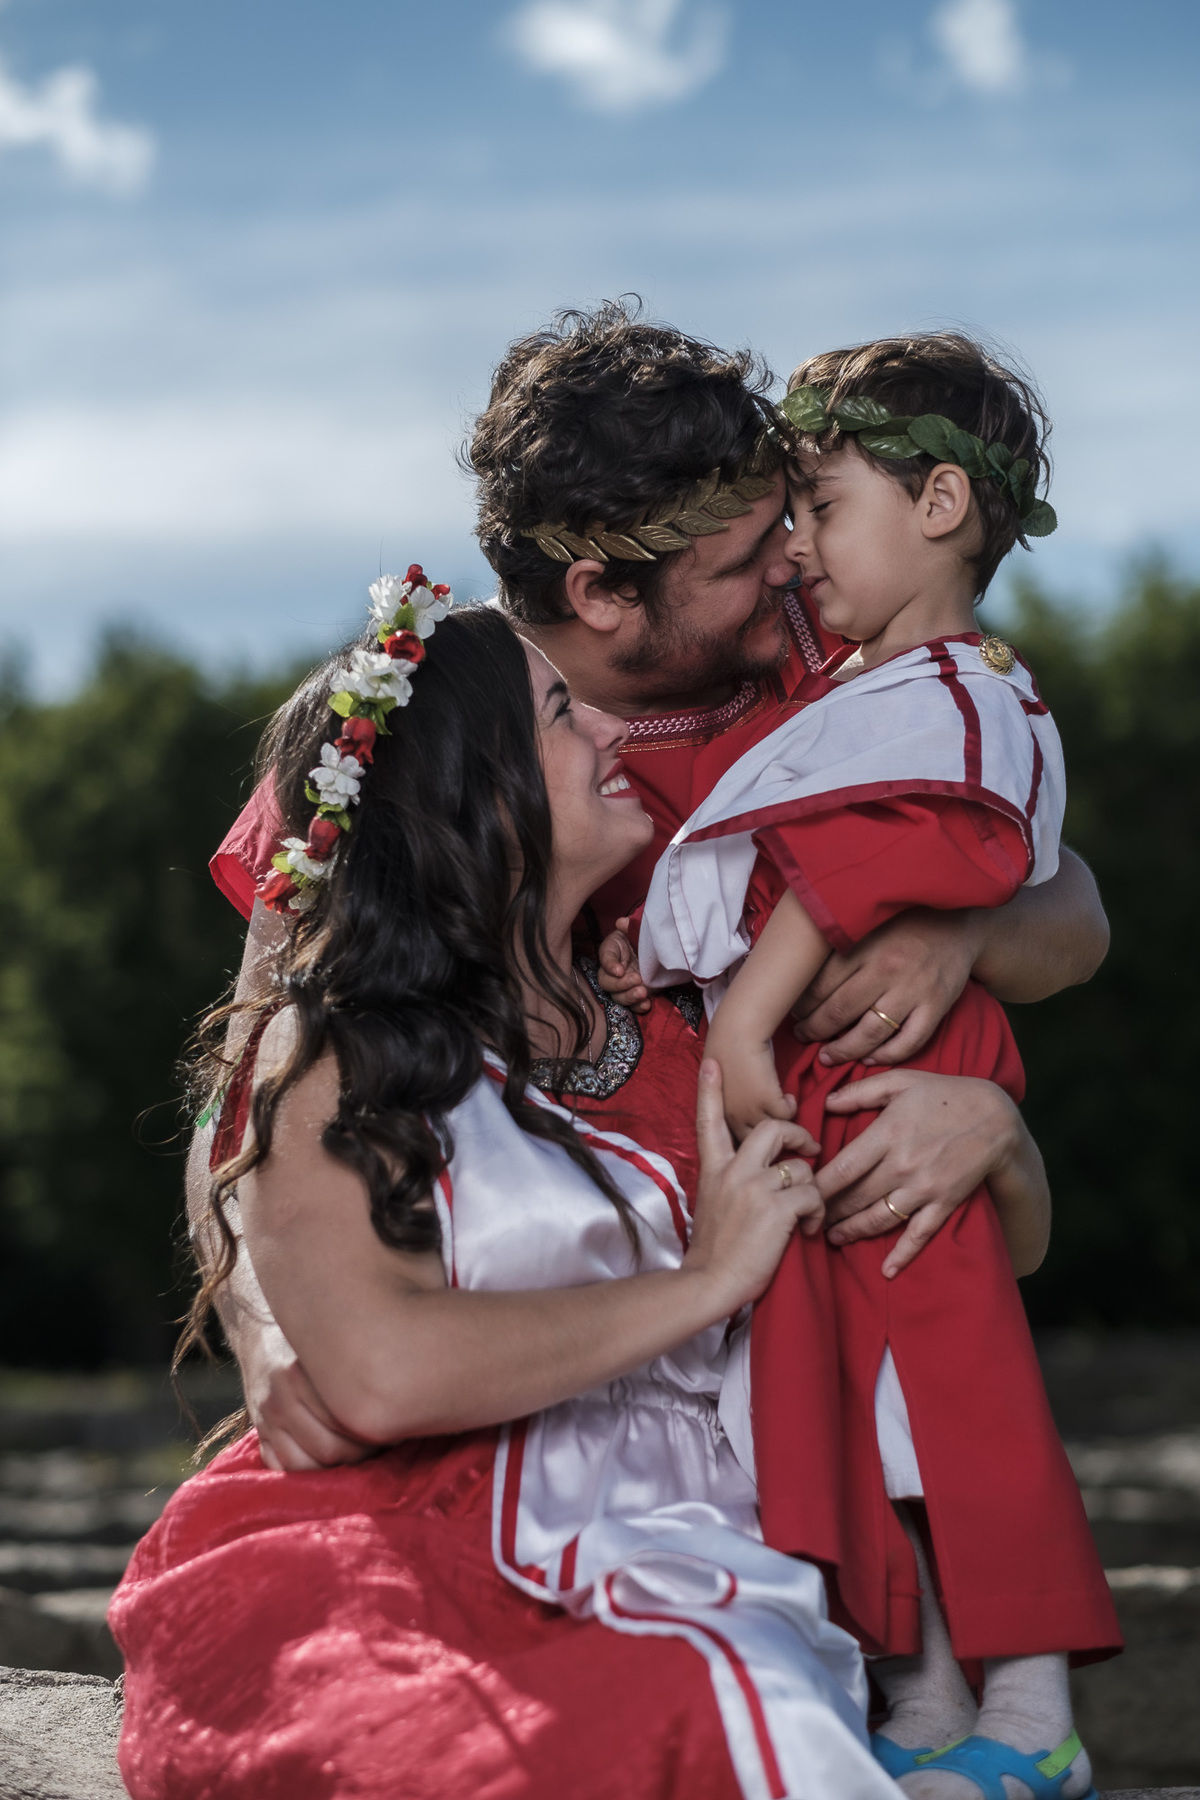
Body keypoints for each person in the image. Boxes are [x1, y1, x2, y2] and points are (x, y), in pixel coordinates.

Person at [113, 594, 1056, 1798]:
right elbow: (376, 1367)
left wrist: (999, 1141)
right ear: (479, 786)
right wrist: (703, 1283)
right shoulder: (359, 1048)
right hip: (393, 1539)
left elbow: (952, 1260)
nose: (613, 732)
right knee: (553, 1730)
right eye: (562, 714)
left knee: (717, 1692)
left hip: (695, 1543)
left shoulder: (708, 1025)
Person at [201, 306, 1108, 1484]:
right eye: (742, 558)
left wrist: (965, 926)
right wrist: (264, 1323)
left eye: (792, 519)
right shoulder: (414, 727)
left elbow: (1072, 907)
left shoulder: (833, 648)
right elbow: (255, 1066)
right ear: (600, 593)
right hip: (544, 1309)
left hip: (810, 1269)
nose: (791, 559)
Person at [614, 334, 1119, 1800]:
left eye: (818, 509)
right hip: (799, 1107)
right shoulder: (840, 676)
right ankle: (927, 1695)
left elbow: (918, 867)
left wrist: (774, 1015)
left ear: (944, 503)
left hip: (878, 1084)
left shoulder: (953, 695)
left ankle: (1033, 1721)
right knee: (844, 1406)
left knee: (951, 1400)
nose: (793, 552)